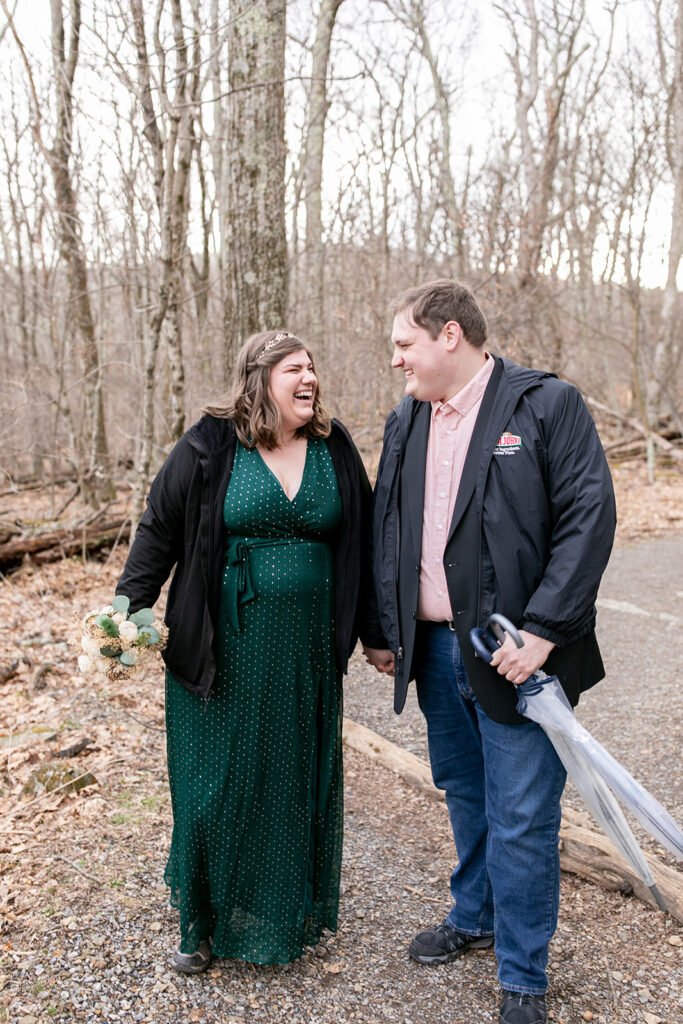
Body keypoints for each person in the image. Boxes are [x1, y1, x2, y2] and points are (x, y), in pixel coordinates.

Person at [363, 280, 616, 1024]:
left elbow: (588, 516)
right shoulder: (405, 420)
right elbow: (391, 526)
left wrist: (542, 630)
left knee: (521, 814)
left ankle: (523, 977)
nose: (395, 361)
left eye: (402, 345)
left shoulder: (544, 405)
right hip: (437, 653)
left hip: (520, 655)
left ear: (448, 335)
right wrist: (387, 628)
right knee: (466, 794)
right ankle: (472, 915)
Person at [116, 330, 385, 972]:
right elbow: (159, 523)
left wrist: (375, 633)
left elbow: (364, 545)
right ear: (259, 378)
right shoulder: (211, 443)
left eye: (313, 368)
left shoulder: (333, 445)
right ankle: (203, 925)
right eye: (294, 369)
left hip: (306, 655)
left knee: (290, 780)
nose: (309, 378)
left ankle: (282, 915)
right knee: (218, 781)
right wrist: (128, 610)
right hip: (221, 650)